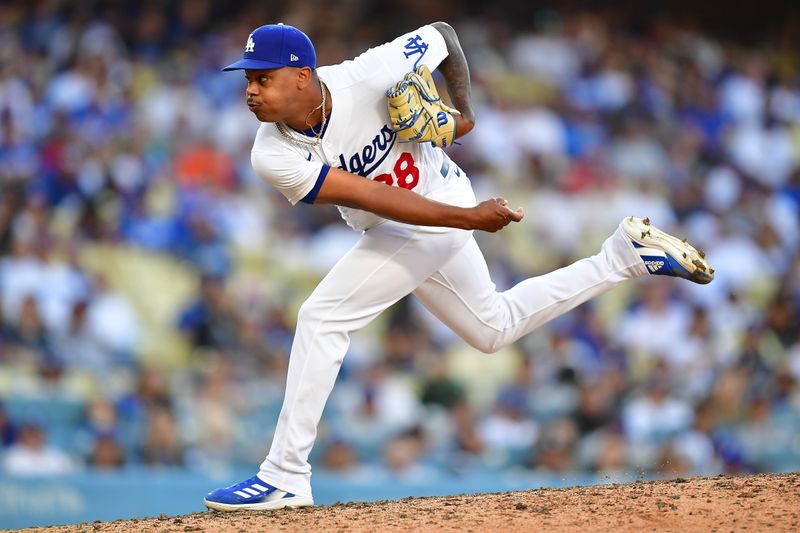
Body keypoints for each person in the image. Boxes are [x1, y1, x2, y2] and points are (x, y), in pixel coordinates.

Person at [204, 22, 713, 512]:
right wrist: (467, 218)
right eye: (248, 79)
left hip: (439, 203)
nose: (251, 91)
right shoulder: (271, 153)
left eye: (263, 78)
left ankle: (285, 475)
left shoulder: (367, 73)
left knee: (322, 317)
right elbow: (372, 196)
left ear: (302, 75)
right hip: (413, 217)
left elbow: (443, 35)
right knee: (493, 328)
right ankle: (623, 257)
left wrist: (464, 116)